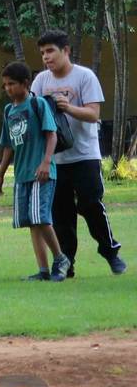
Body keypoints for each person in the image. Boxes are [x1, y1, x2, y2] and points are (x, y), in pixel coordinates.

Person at [33, 30, 125, 277]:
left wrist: (67, 107)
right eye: (42, 53)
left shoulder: (85, 77)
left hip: (85, 155)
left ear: (66, 51)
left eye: (50, 51)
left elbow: (94, 114)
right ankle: (67, 265)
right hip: (56, 159)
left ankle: (110, 252)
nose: (46, 57)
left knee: (91, 205)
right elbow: (34, 115)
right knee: (61, 214)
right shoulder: (41, 81)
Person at [0, 61, 69, 281]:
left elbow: (51, 134)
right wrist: (0, 175)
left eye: (12, 84)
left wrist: (46, 162)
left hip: (42, 172)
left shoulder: (37, 104)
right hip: (22, 174)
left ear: (25, 83)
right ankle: (43, 270)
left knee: (40, 217)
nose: (8, 89)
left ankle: (60, 258)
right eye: (5, 85)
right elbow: (8, 145)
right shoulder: (9, 110)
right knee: (31, 222)